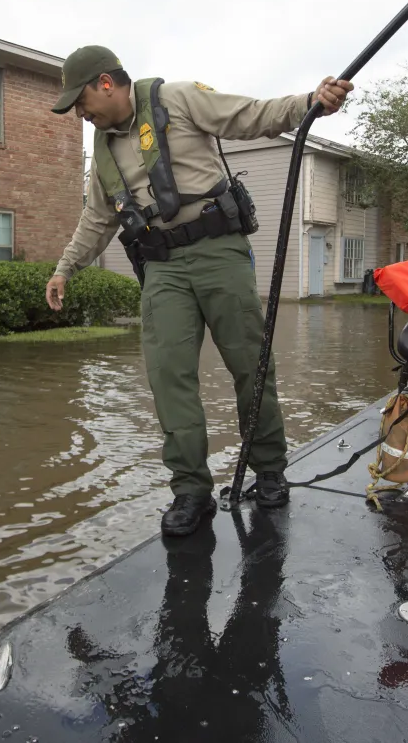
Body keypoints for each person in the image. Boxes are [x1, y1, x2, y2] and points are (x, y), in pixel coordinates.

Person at [44, 45, 352, 536]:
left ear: (105, 82)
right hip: (161, 266)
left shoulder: (180, 98)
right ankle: (191, 492)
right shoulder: (102, 150)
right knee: (169, 376)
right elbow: (97, 219)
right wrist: (64, 269)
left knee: (250, 363)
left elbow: (250, 116)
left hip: (218, 253)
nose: (79, 113)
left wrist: (309, 102)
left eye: (79, 101)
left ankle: (269, 471)